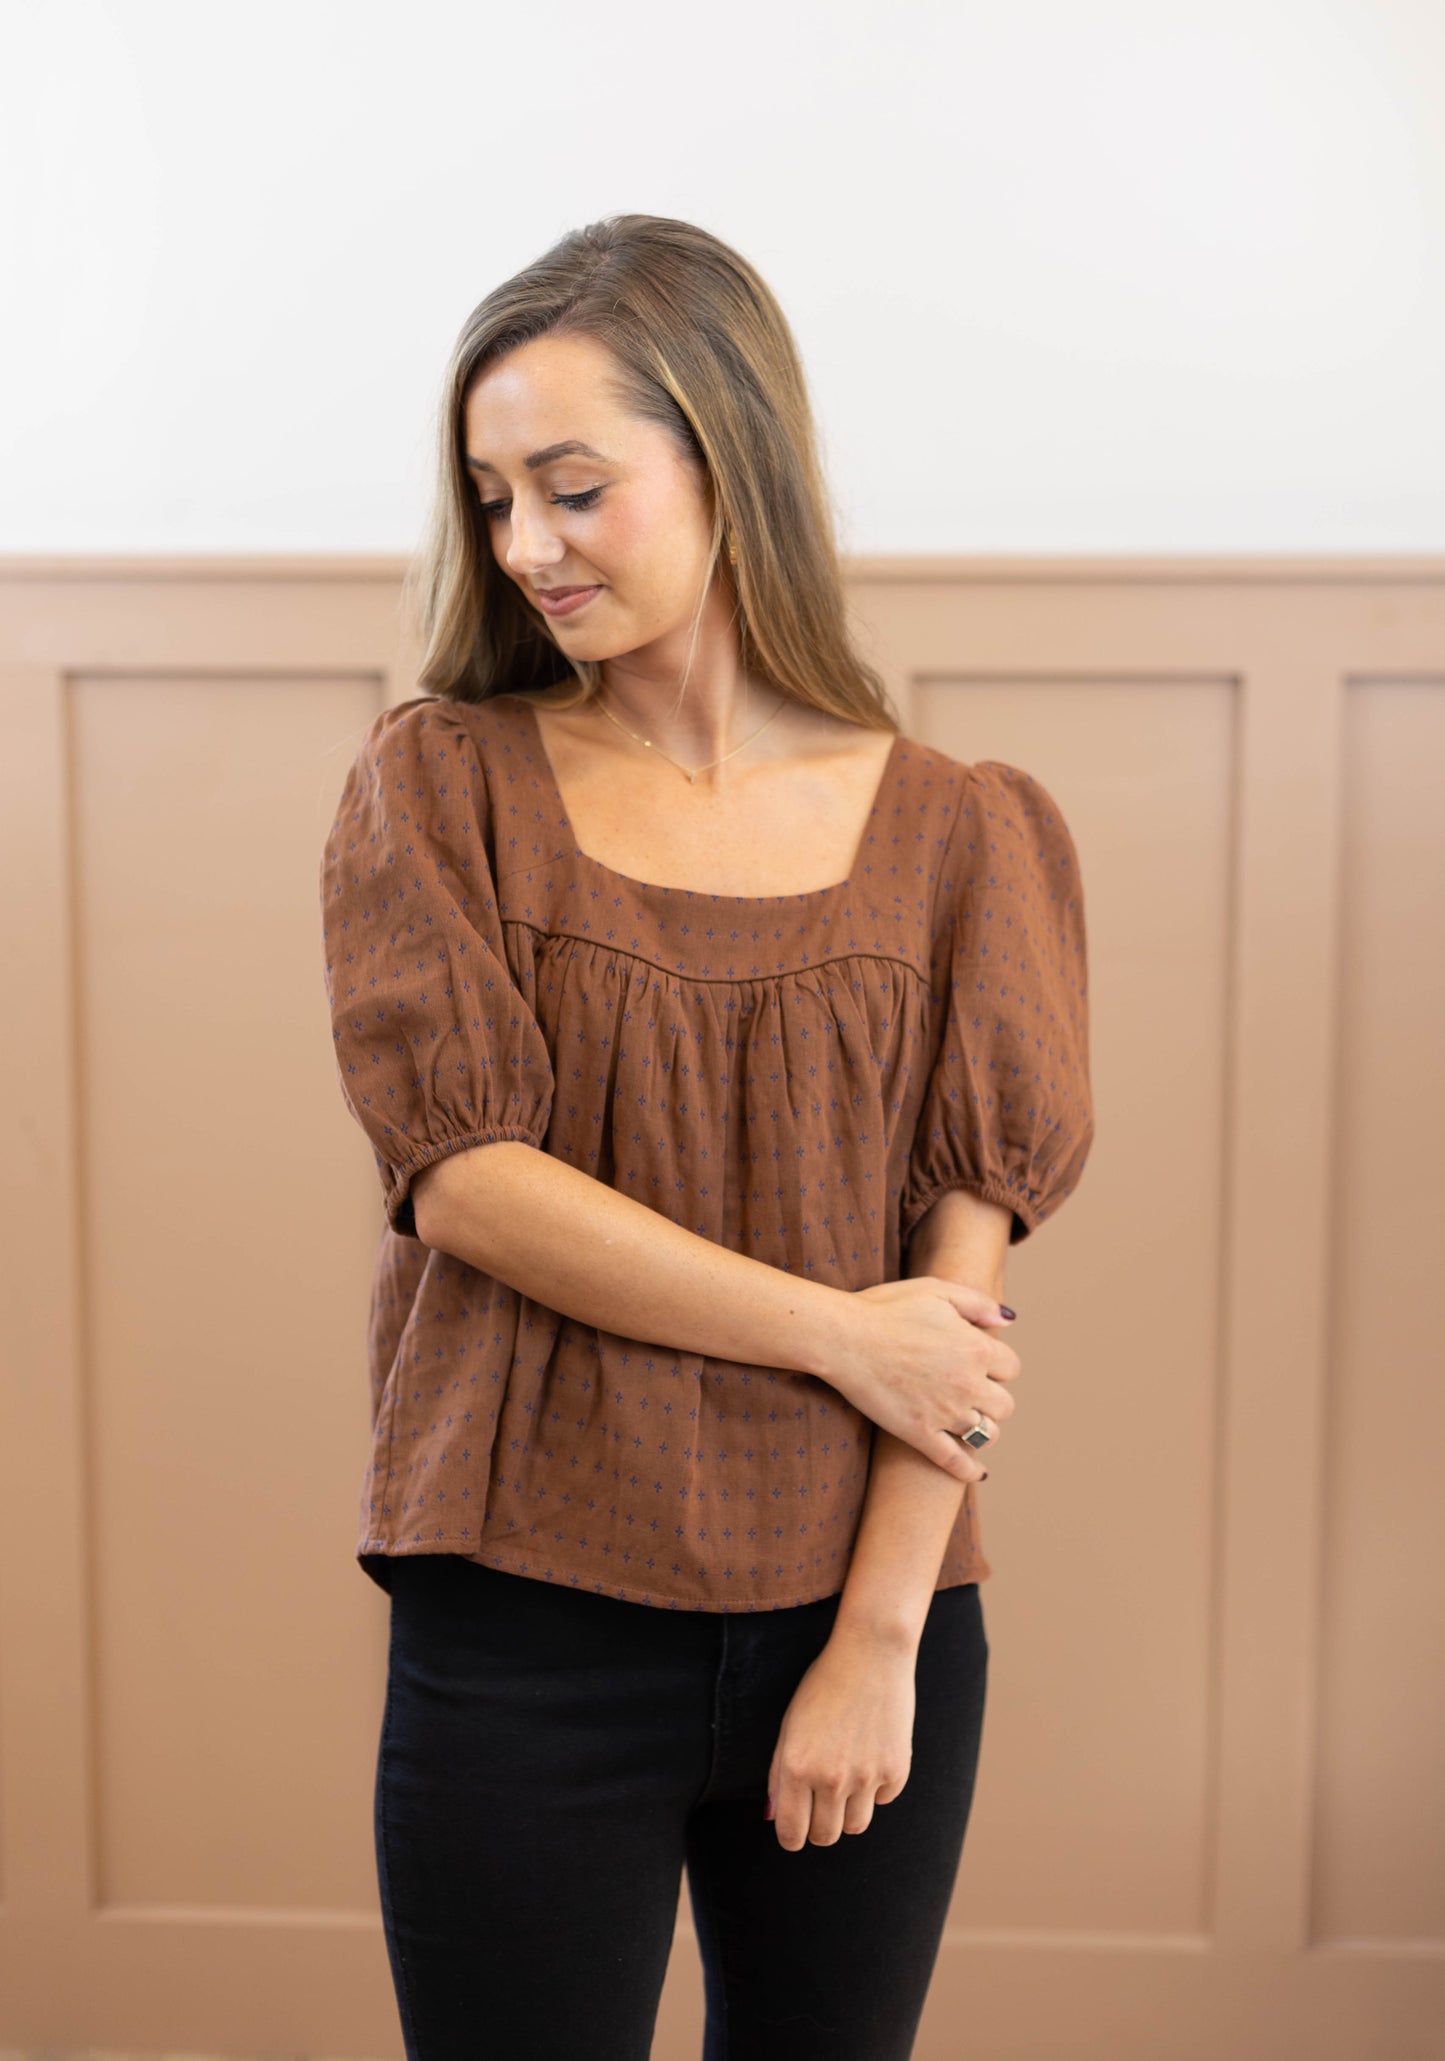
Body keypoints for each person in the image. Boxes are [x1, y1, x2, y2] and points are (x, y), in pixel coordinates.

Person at [319, 213, 1095, 2061]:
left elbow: (956, 1304)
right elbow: (472, 1187)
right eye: (494, 496)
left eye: (573, 487)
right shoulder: (437, 787)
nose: (525, 546)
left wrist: (882, 1639)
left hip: (863, 1610)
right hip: (519, 1621)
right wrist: (836, 1327)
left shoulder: (967, 831)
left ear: (724, 449)